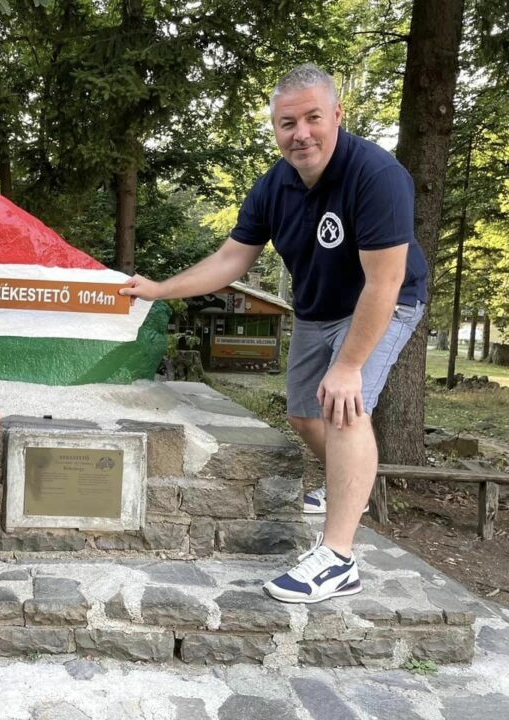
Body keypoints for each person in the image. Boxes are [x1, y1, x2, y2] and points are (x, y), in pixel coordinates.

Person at [120, 64, 428, 604]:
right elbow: (231, 259)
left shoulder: (376, 175)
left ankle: (337, 559)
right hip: (316, 308)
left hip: (384, 301)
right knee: (303, 414)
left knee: (344, 406)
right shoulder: (274, 186)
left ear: (337, 116)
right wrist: (159, 289)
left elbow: (385, 281)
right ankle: (346, 482)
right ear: (275, 126)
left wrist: (350, 365)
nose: (301, 133)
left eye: (313, 118)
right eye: (288, 122)